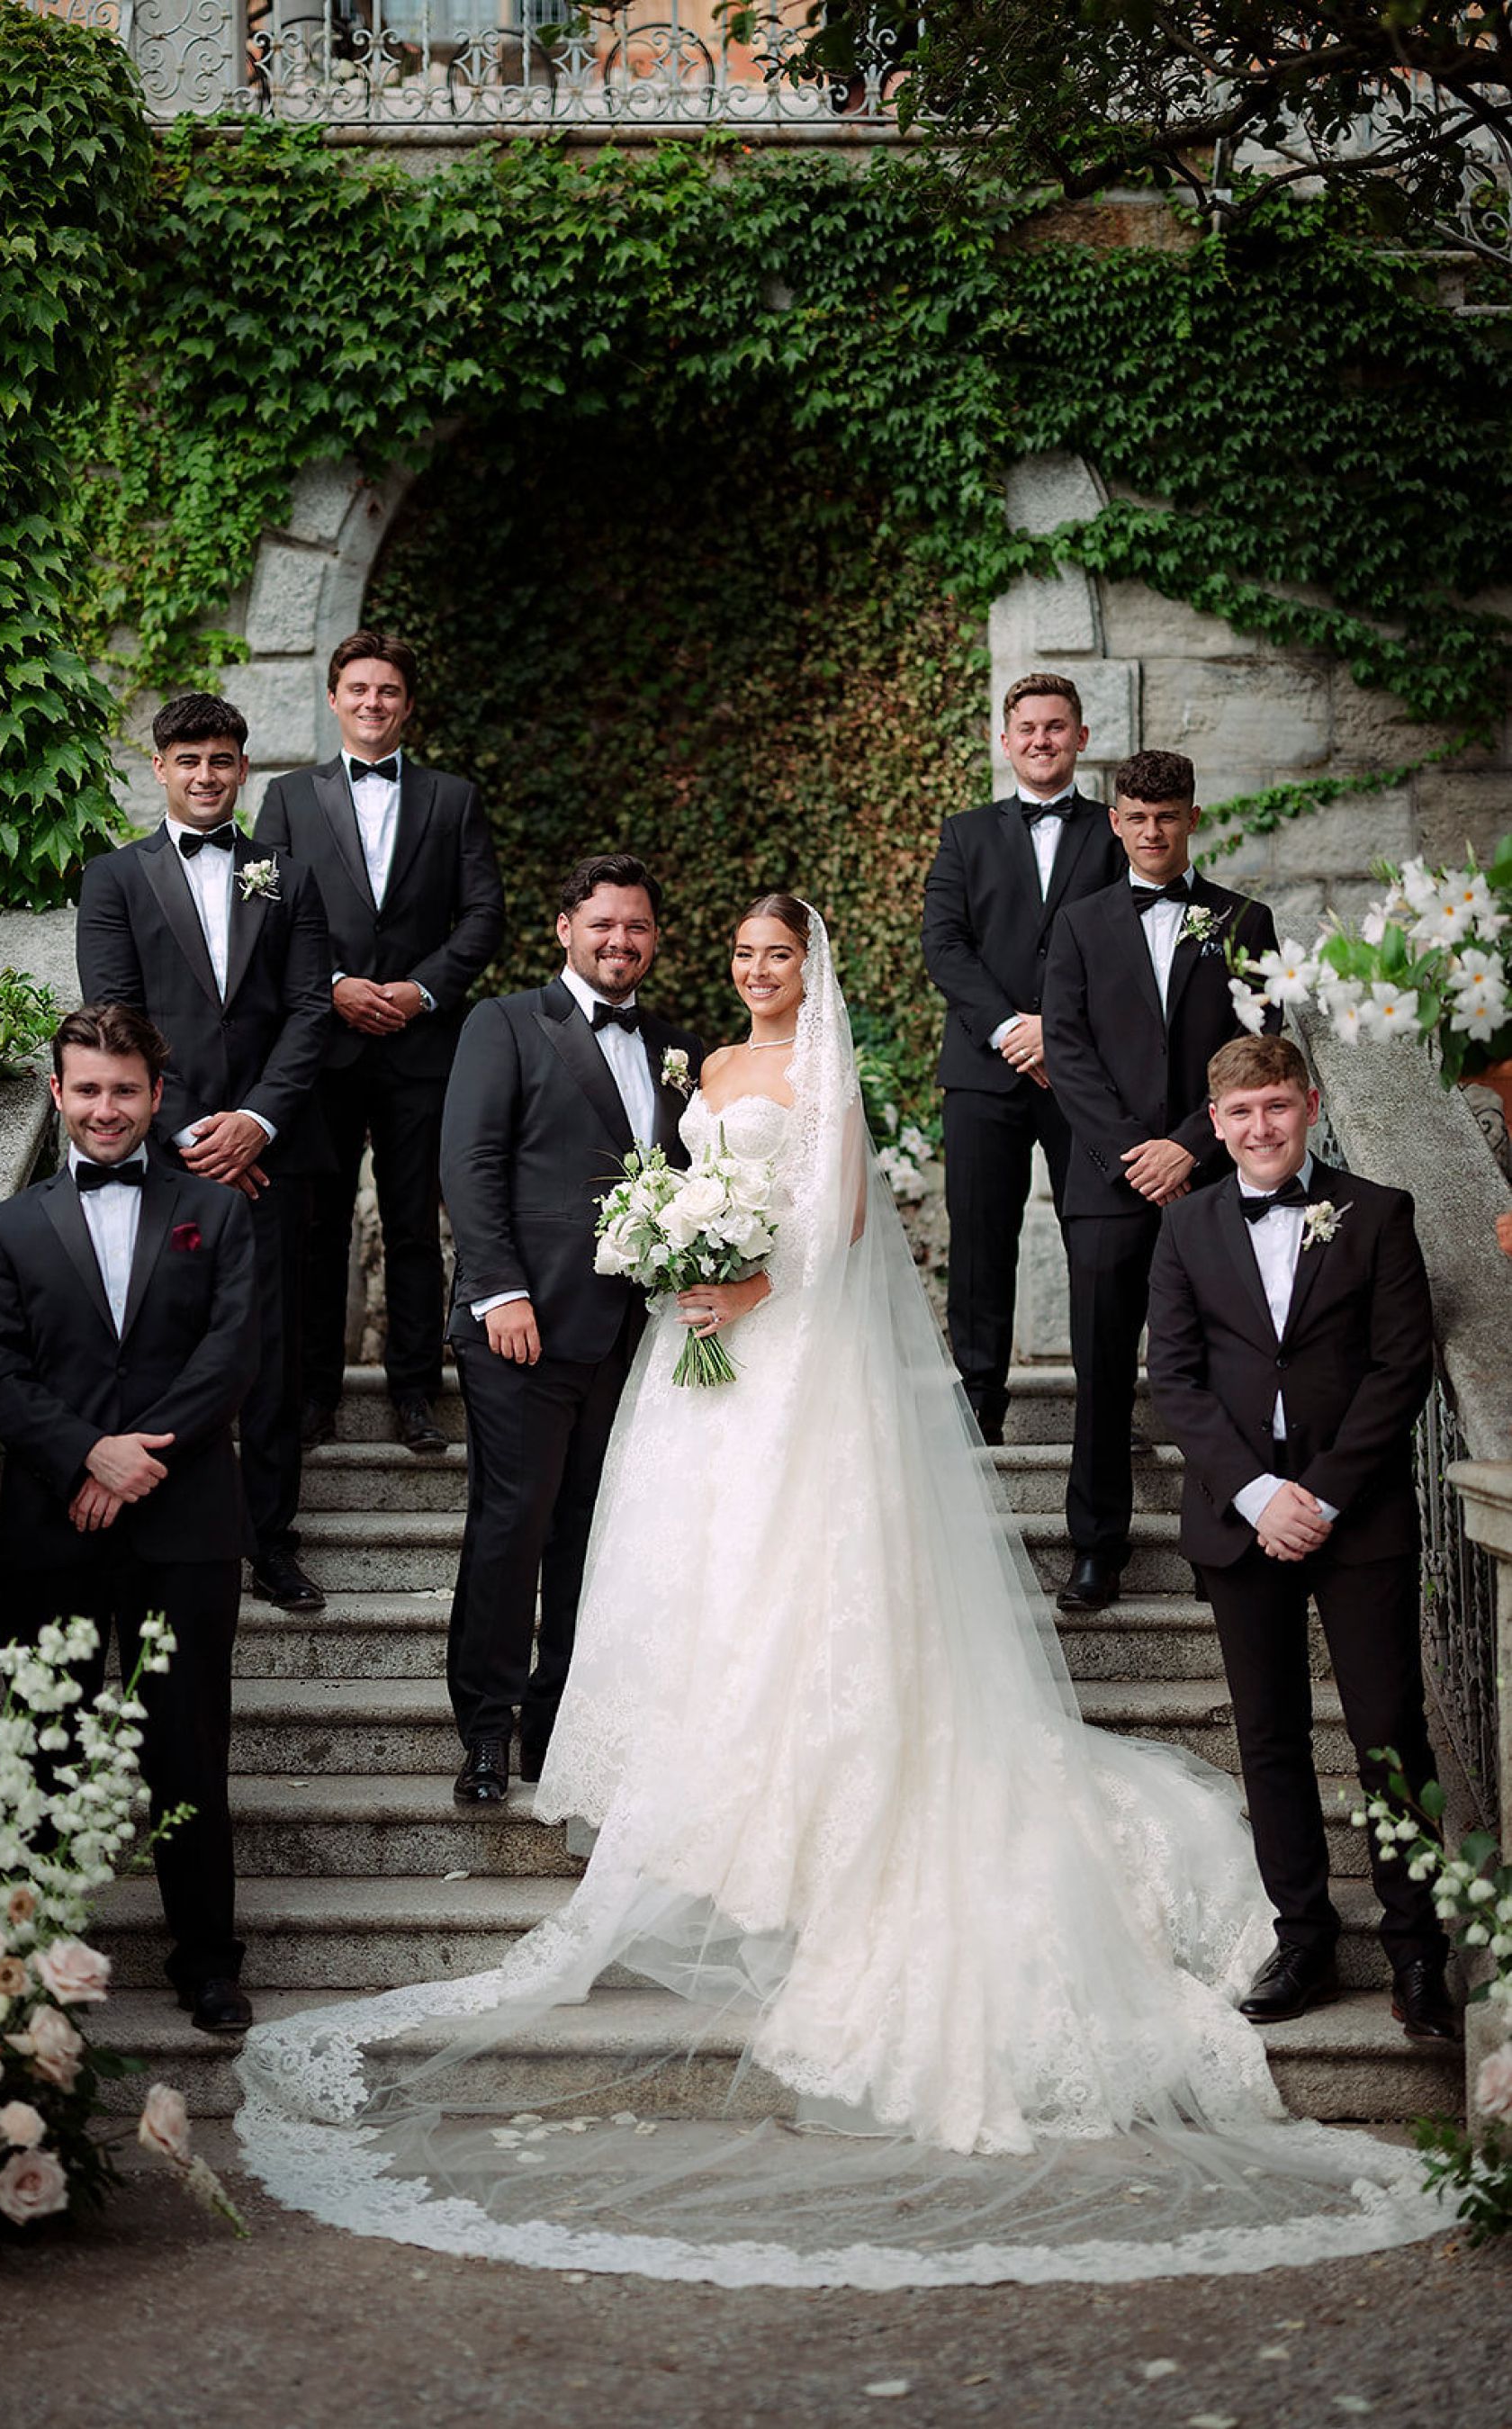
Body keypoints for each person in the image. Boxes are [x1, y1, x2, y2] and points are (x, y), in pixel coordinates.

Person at [238, 900, 1444, 2288]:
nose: (756, 971)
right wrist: (678, 1261)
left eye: (777, 956)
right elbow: (670, 1188)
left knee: (800, 1573)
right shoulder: (701, 1068)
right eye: (741, 953)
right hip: (703, 1363)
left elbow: (841, 1217)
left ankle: (842, 1814)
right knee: (695, 1575)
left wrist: (745, 1280)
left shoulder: (825, 1073)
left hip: (797, 1351)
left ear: (808, 968)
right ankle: (720, 1794)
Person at [1147, 1033, 1456, 2041]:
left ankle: (1418, 1953)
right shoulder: (1187, 1226)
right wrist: (1255, 1493)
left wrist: (1317, 1492)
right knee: (1270, 1737)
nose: (1260, 1127)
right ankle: (1305, 1938)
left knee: (1389, 1734)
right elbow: (1177, 1381)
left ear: (1310, 1105)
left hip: (1355, 1515)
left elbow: (1398, 1369)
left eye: (1276, 1106)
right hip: (1241, 1520)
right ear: (1216, 1120)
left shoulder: (1377, 1213)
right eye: (1239, 1113)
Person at [0, 1005, 259, 2032]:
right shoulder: (6, 1226)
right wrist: (87, 1451)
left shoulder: (217, 1215)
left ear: (155, 1095)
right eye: (86, 1088)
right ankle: (37, 1954)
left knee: (187, 1745)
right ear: (56, 1096)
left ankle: (208, 1960)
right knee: (45, 1747)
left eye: (123, 1088)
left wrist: (132, 1462)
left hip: (187, 1529)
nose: (105, 1107)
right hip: (54, 1525)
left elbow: (228, 1358)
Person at [438, 852, 704, 1805]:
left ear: (654, 938)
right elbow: (469, 1163)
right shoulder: (505, 1023)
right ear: (564, 928)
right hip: (525, 1324)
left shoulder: (679, 1046)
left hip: (636, 1336)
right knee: (512, 1525)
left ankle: (558, 1728)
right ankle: (485, 1731)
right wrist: (498, 1289)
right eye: (603, 925)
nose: (619, 941)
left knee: (593, 1536)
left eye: (636, 927)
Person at [77, 692, 334, 1617]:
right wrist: (188, 1131)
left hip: (267, 1155)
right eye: (189, 760)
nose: (206, 775)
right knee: (157, 1345)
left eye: (222, 759)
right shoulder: (114, 878)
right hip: (165, 1157)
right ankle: (167, 1535)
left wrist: (256, 1121)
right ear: (160, 768)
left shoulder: (288, 876)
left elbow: (309, 1008)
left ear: (243, 768)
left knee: (265, 1353)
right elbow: (114, 1017)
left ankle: (272, 1542)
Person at [255, 630, 505, 1460]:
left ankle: (414, 1392)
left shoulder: (453, 798)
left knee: (412, 1224)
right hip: (319, 1050)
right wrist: (330, 986)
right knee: (318, 1228)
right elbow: (264, 910)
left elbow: (482, 916)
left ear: (406, 703)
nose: (372, 703)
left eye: (388, 691)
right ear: (333, 698)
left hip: (418, 1045)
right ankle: (315, 1391)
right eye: (358, 688)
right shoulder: (289, 798)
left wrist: (420, 990)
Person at [1042, 750, 1280, 1615]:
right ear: (1115, 820)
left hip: (1213, 1180)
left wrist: (1188, 1146)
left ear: (1191, 818)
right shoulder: (1077, 923)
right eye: (1136, 817)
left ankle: (1217, 1536)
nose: (1151, 831)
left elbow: (1261, 1051)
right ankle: (1095, 1548)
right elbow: (1066, 1052)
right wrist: (1133, 1155)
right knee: (1102, 1369)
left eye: (1167, 816)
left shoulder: (1244, 921)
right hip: (1107, 1185)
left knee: (1222, 1368)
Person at [922, 673, 1124, 1440]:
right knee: (978, 1238)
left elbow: (1123, 948)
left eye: (1056, 726)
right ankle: (980, 1403)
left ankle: (1107, 1405)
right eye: (1027, 728)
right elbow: (944, 944)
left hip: (1088, 1078)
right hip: (982, 1072)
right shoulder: (964, 833)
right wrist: (1011, 1028)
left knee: (1101, 1240)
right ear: (1005, 742)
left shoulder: (1114, 834)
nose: (1041, 739)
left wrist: (1058, 1032)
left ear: (1081, 737)